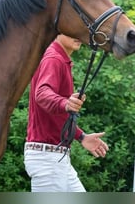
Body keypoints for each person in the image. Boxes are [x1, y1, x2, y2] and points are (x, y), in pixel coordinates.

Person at [24, 34, 109, 192]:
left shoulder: (59, 59)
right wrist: (65, 103)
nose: (78, 36)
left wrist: (81, 136)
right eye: (70, 32)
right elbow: (42, 94)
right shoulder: (54, 58)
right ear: (56, 32)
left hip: (55, 158)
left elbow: (56, 116)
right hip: (48, 160)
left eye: (79, 32)